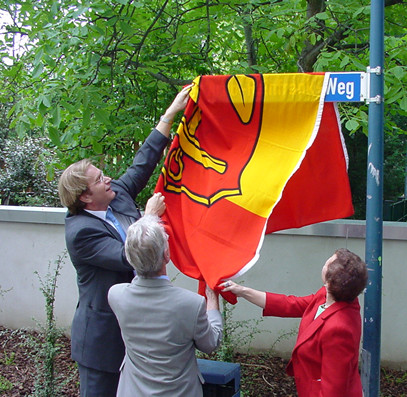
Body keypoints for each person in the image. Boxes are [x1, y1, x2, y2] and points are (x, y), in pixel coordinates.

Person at [57, 86, 191, 397]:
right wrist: (150, 219)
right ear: (85, 197)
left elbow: (141, 166)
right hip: (101, 343)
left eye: (103, 174)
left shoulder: (115, 197)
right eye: (99, 179)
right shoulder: (81, 233)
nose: (108, 179)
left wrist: (169, 116)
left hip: (136, 334)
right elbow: (130, 256)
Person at [220, 248, 368, 397]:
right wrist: (242, 291)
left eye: (327, 263)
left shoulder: (339, 329)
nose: (324, 263)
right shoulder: (330, 295)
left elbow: (334, 390)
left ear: (330, 283)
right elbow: (291, 305)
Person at [108, 214, 223, 397]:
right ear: (167, 255)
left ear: (129, 258)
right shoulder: (191, 304)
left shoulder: (116, 295)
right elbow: (210, 343)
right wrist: (212, 298)